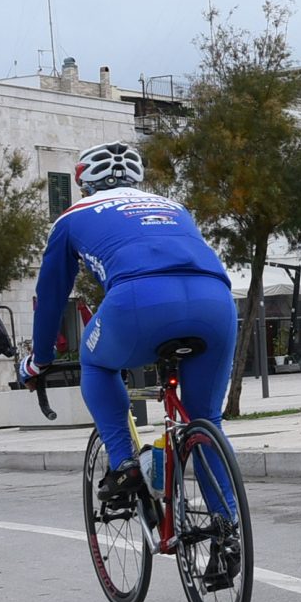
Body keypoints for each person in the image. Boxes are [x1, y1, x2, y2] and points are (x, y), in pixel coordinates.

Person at [20, 143, 239, 545]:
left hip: (139, 302)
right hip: (217, 302)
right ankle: (229, 532)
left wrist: (39, 361)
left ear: (83, 183)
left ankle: (124, 463)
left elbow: (51, 299)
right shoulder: (175, 207)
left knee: (95, 361)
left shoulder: (71, 217)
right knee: (206, 417)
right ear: (138, 180)